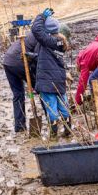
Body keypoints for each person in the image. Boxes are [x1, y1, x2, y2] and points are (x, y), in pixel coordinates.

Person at [31, 11, 71, 139]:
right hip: (59, 79)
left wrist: (41, 16)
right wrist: (33, 56)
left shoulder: (48, 40)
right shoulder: (60, 41)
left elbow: (36, 30)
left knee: (51, 108)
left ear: (47, 31)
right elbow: (50, 57)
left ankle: (53, 135)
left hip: (47, 81)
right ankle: (68, 130)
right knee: (63, 105)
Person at [1, 29, 37, 133]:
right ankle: (51, 118)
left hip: (7, 61)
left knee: (18, 95)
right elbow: (38, 61)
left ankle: (20, 127)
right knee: (41, 88)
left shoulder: (32, 34)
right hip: (18, 62)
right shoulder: (41, 38)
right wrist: (35, 81)